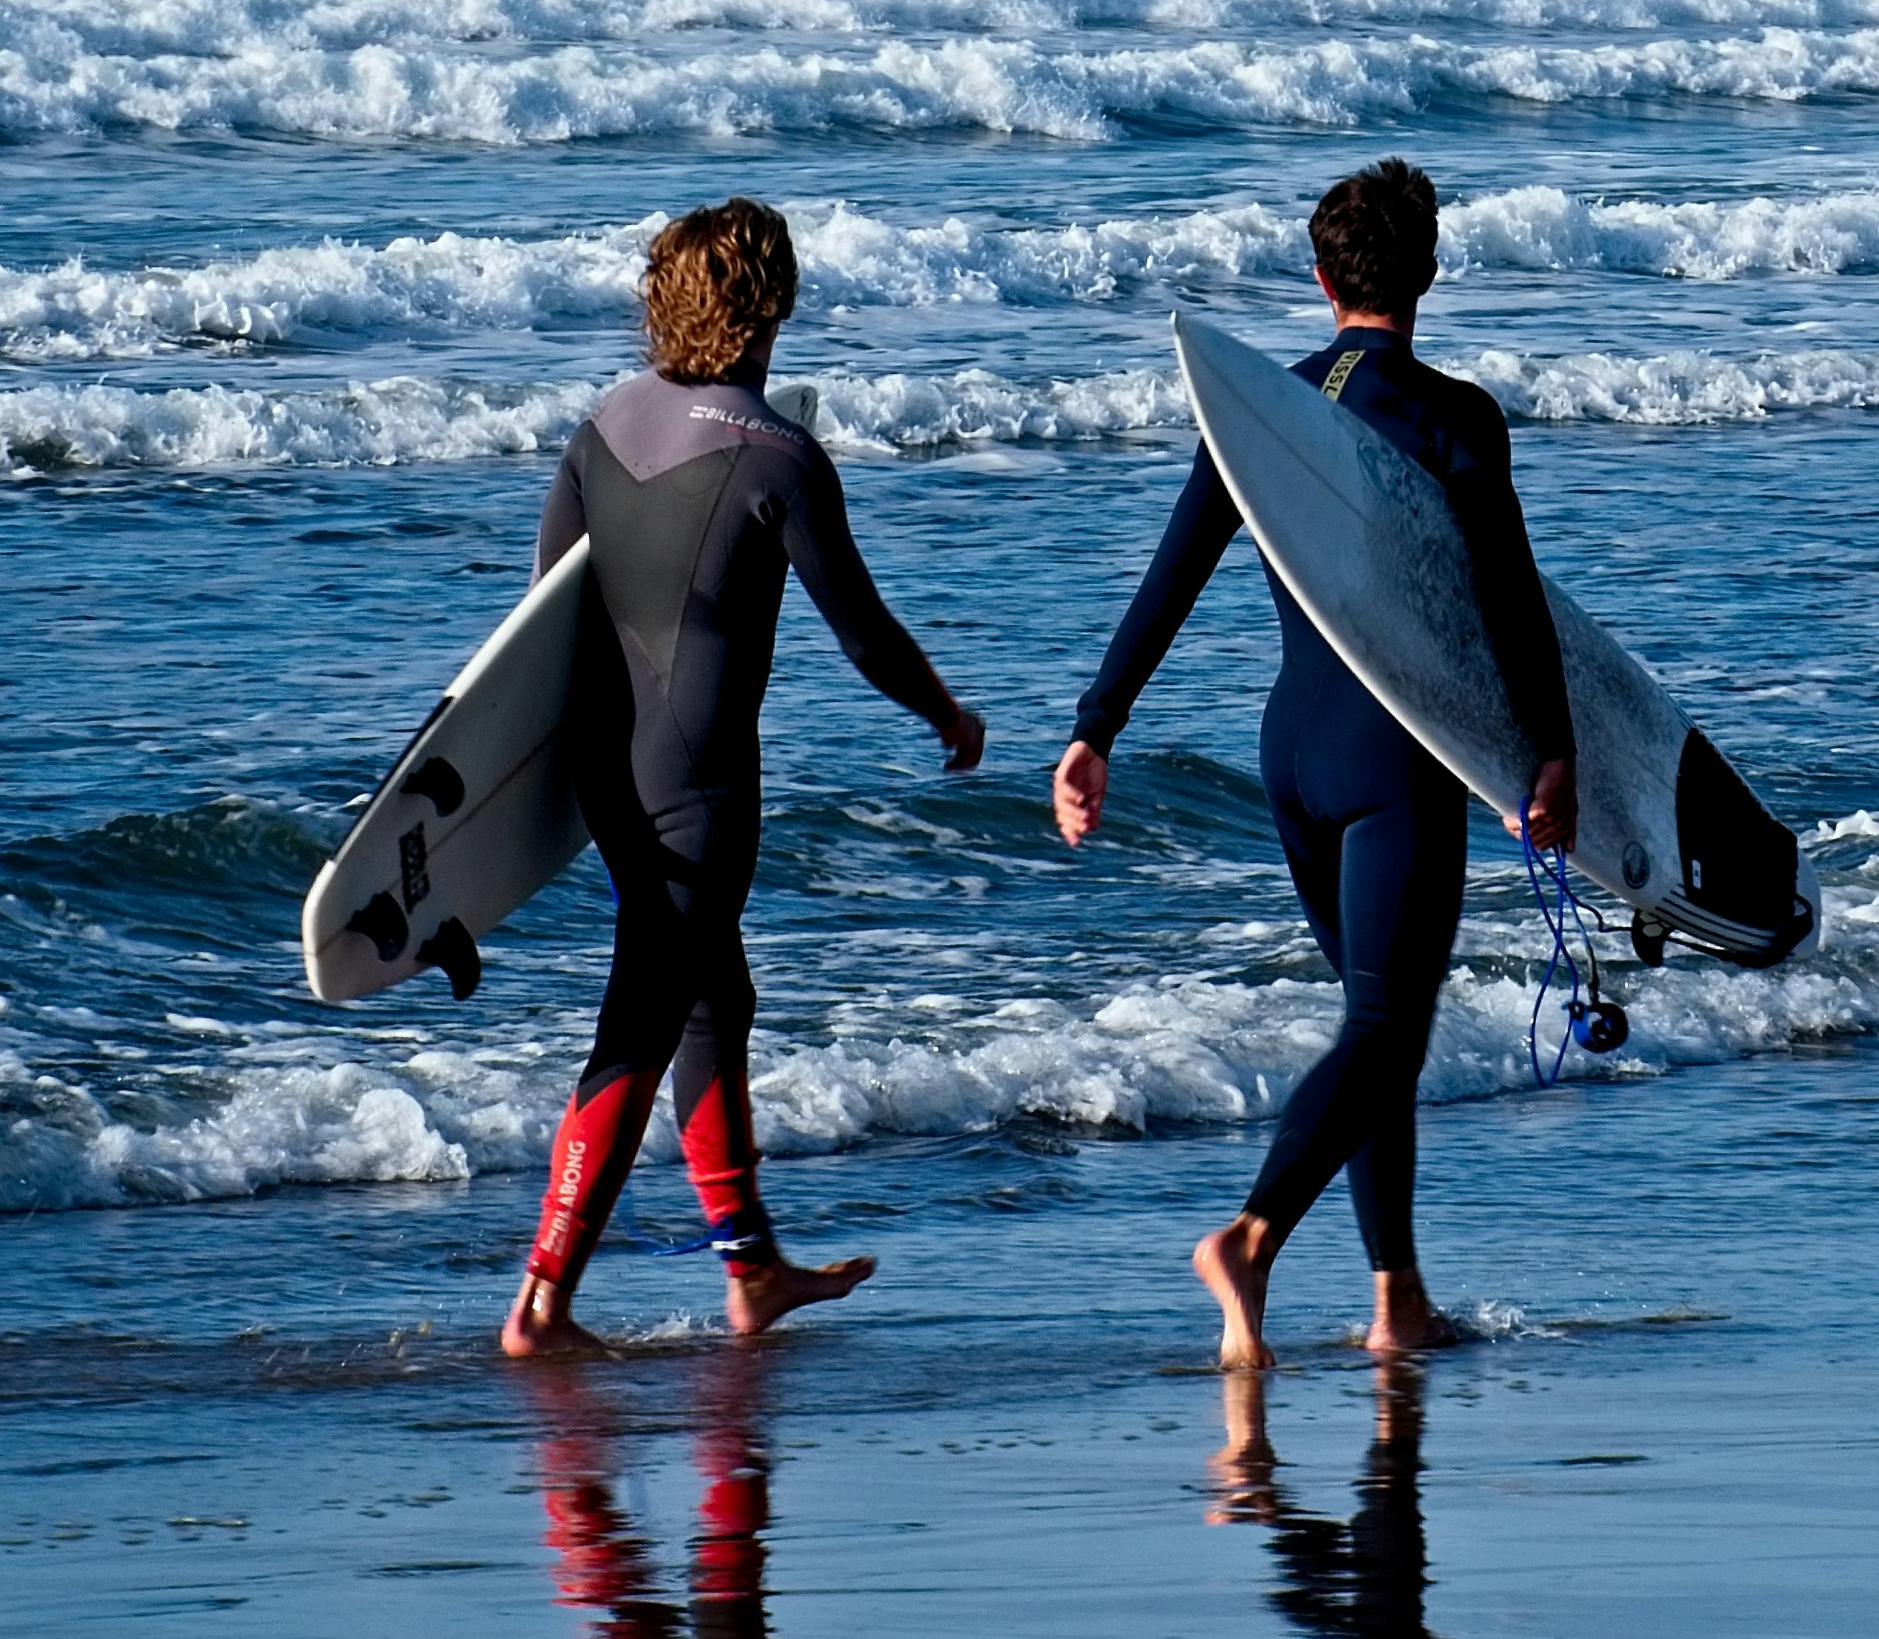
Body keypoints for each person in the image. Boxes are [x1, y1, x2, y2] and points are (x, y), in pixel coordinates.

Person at [1050, 157, 1577, 1370]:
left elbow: (1173, 569)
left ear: (1320, 276)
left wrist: (1095, 727)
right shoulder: (1455, 416)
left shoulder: (1266, 409)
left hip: (1291, 747)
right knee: (1387, 1024)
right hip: (1397, 751)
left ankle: (1397, 1296)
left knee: (1371, 1028)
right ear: (1428, 272)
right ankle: (1249, 1233)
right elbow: (1506, 601)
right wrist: (1550, 749)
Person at [502, 199, 986, 1360]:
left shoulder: (598, 427)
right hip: (701, 792)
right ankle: (541, 1303)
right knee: (644, 1018)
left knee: (715, 1001)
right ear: (772, 302)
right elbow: (864, 632)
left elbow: (538, 624)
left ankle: (753, 1268)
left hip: (609, 782)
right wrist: (947, 711)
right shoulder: (778, 455)